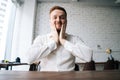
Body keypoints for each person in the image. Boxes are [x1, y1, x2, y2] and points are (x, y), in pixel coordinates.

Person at [26, 6, 93, 71]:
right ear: (50, 21)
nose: (58, 20)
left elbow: (88, 57)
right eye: (55, 17)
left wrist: (63, 41)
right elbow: (29, 59)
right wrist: (54, 42)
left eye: (62, 18)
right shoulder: (41, 39)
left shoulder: (74, 39)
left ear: (66, 21)